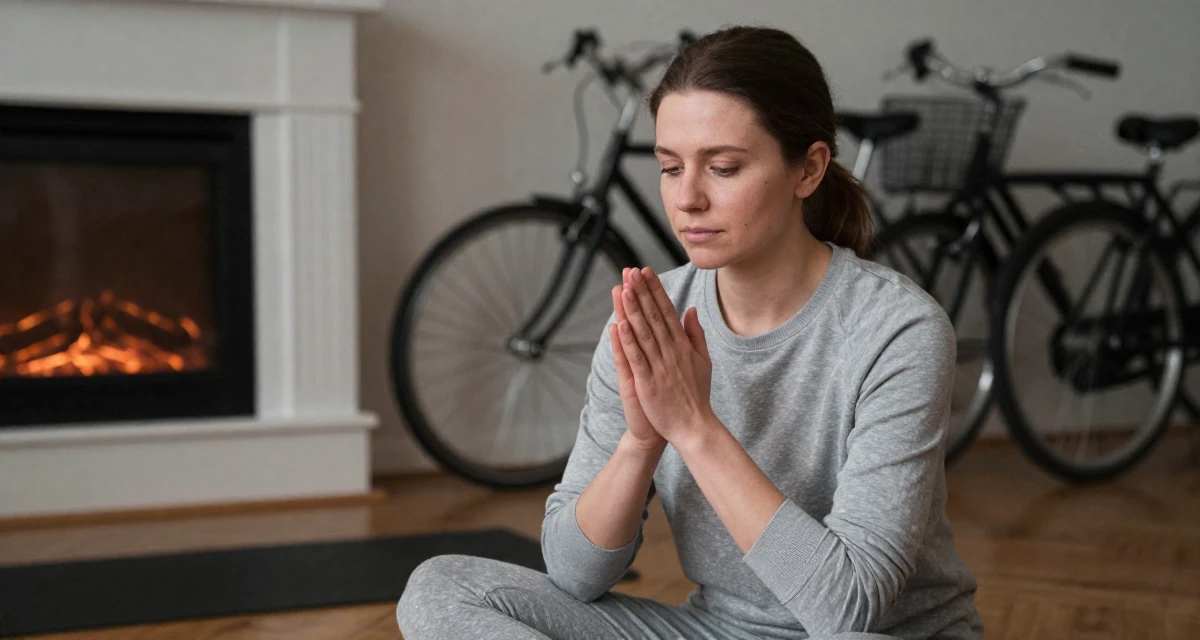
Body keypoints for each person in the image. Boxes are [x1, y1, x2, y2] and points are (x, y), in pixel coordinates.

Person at [397, 25, 984, 640]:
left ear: (808, 169)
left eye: (723, 168)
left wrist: (693, 428)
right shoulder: (653, 316)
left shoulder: (898, 331)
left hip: (877, 634)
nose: (687, 199)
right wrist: (641, 441)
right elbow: (573, 576)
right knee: (443, 586)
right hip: (719, 631)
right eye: (671, 168)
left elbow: (848, 609)